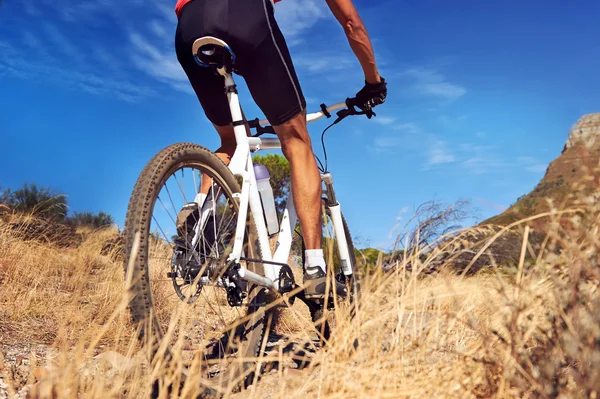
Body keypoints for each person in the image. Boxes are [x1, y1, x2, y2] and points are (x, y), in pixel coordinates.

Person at [174, 0, 387, 299]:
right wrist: (373, 83)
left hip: (190, 26)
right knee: (296, 140)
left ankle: (200, 224)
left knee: (232, 141)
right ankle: (314, 270)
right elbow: (351, 23)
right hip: (244, 14)